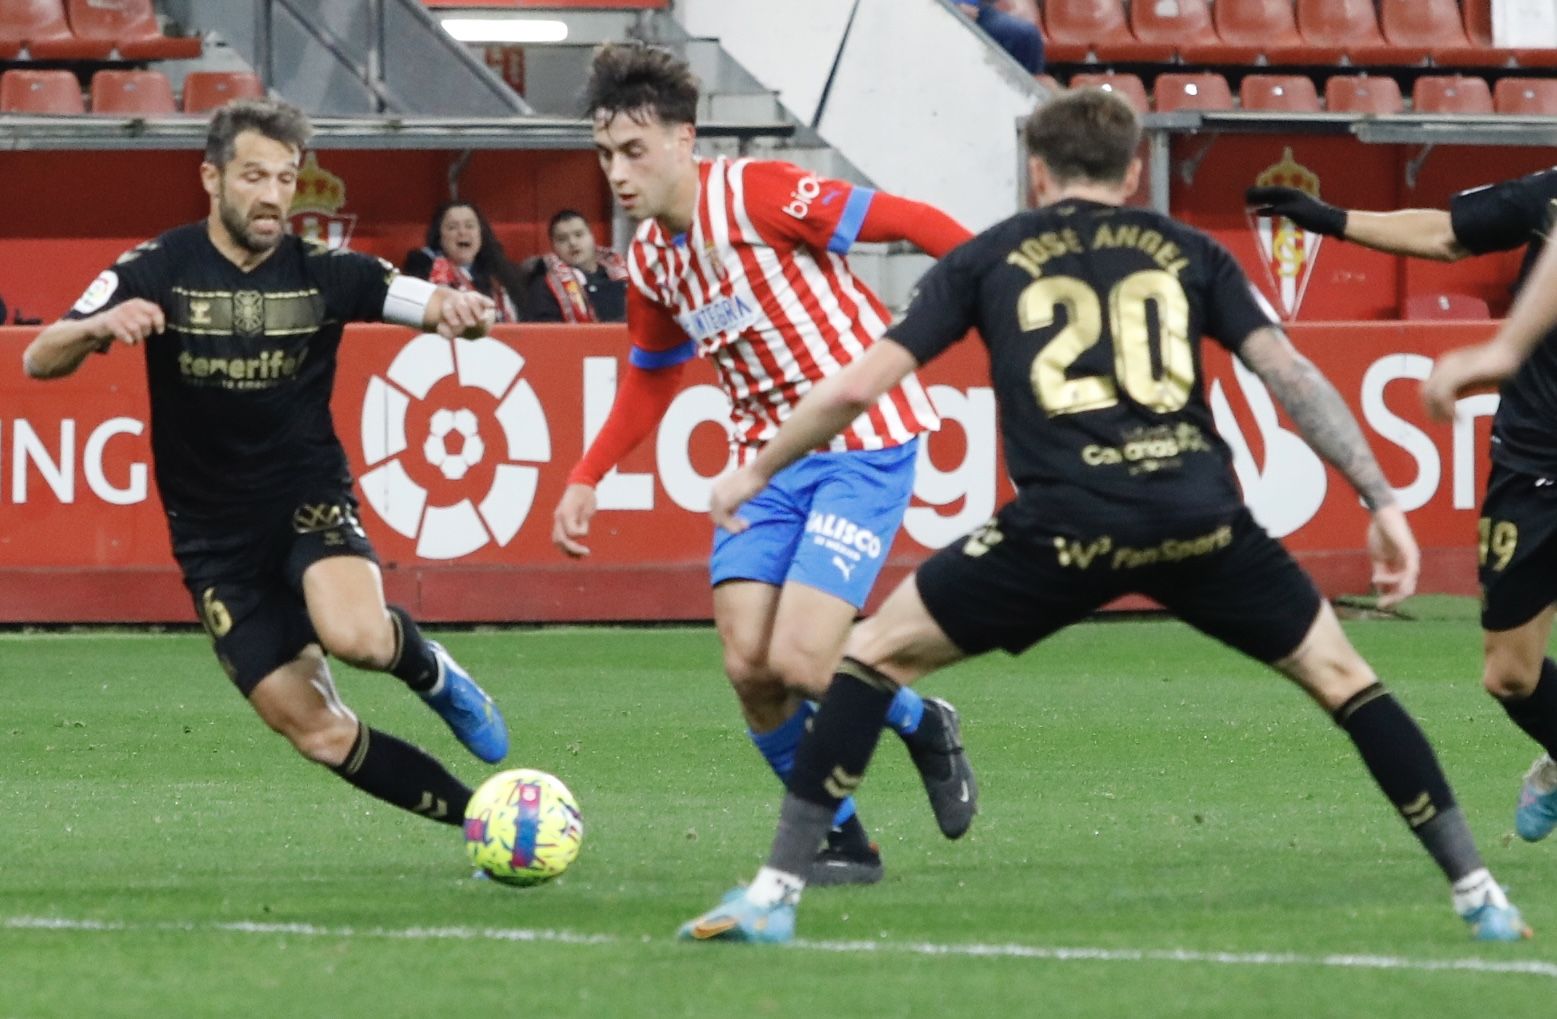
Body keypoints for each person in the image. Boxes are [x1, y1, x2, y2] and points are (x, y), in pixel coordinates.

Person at [679, 88, 1529, 944]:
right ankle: (1479, 893)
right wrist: (1379, 498)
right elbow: (1291, 377)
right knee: (1346, 680)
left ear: (1035, 170)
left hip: (1062, 529)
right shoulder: (1187, 248)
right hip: (1198, 518)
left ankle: (776, 893)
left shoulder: (990, 257)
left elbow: (860, 384)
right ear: (1132, 173)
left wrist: (754, 468)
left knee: (867, 658)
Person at [550, 41, 978, 885]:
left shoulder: (759, 192)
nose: (618, 173)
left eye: (634, 150)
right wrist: (585, 474)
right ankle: (845, 838)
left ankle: (923, 721)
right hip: (765, 463)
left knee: (805, 663)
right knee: (749, 666)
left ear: (685, 140)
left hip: (864, 440)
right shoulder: (650, 261)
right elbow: (652, 375)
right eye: (605, 155)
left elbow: (911, 222)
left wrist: (1001, 282)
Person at [23, 98, 510, 837]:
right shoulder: (158, 267)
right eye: (255, 175)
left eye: (285, 177)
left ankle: (431, 671)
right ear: (211, 178)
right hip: (212, 536)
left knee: (357, 638)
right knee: (320, 732)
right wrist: (97, 327)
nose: (274, 194)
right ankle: (485, 823)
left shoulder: (325, 271)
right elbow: (38, 357)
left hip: (302, 496)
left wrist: (457, 309)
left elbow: (422, 298)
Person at [1251, 167, 1557, 847]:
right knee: (1509, 674)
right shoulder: (1548, 195)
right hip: (1536, 461)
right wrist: (1331, 218)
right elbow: (1447, 233)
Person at [403, 200, 523, 323]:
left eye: (469, 226)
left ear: (481, 233)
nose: (462, 232)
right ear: (439, 236)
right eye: (452, 227)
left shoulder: (503, 273)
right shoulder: (422, 270)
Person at [522, 209, 628, 323]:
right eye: (562, 239)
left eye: (579, 235)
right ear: (553, 246)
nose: (572, 243)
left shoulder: (624, 273)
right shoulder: (544, 287)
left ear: (591, 236)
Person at [957, 0, 1045, 75]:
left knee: (1026, 34)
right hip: (950, 9)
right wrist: (953, 7)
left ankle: (1032, 86)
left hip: (979, 10)